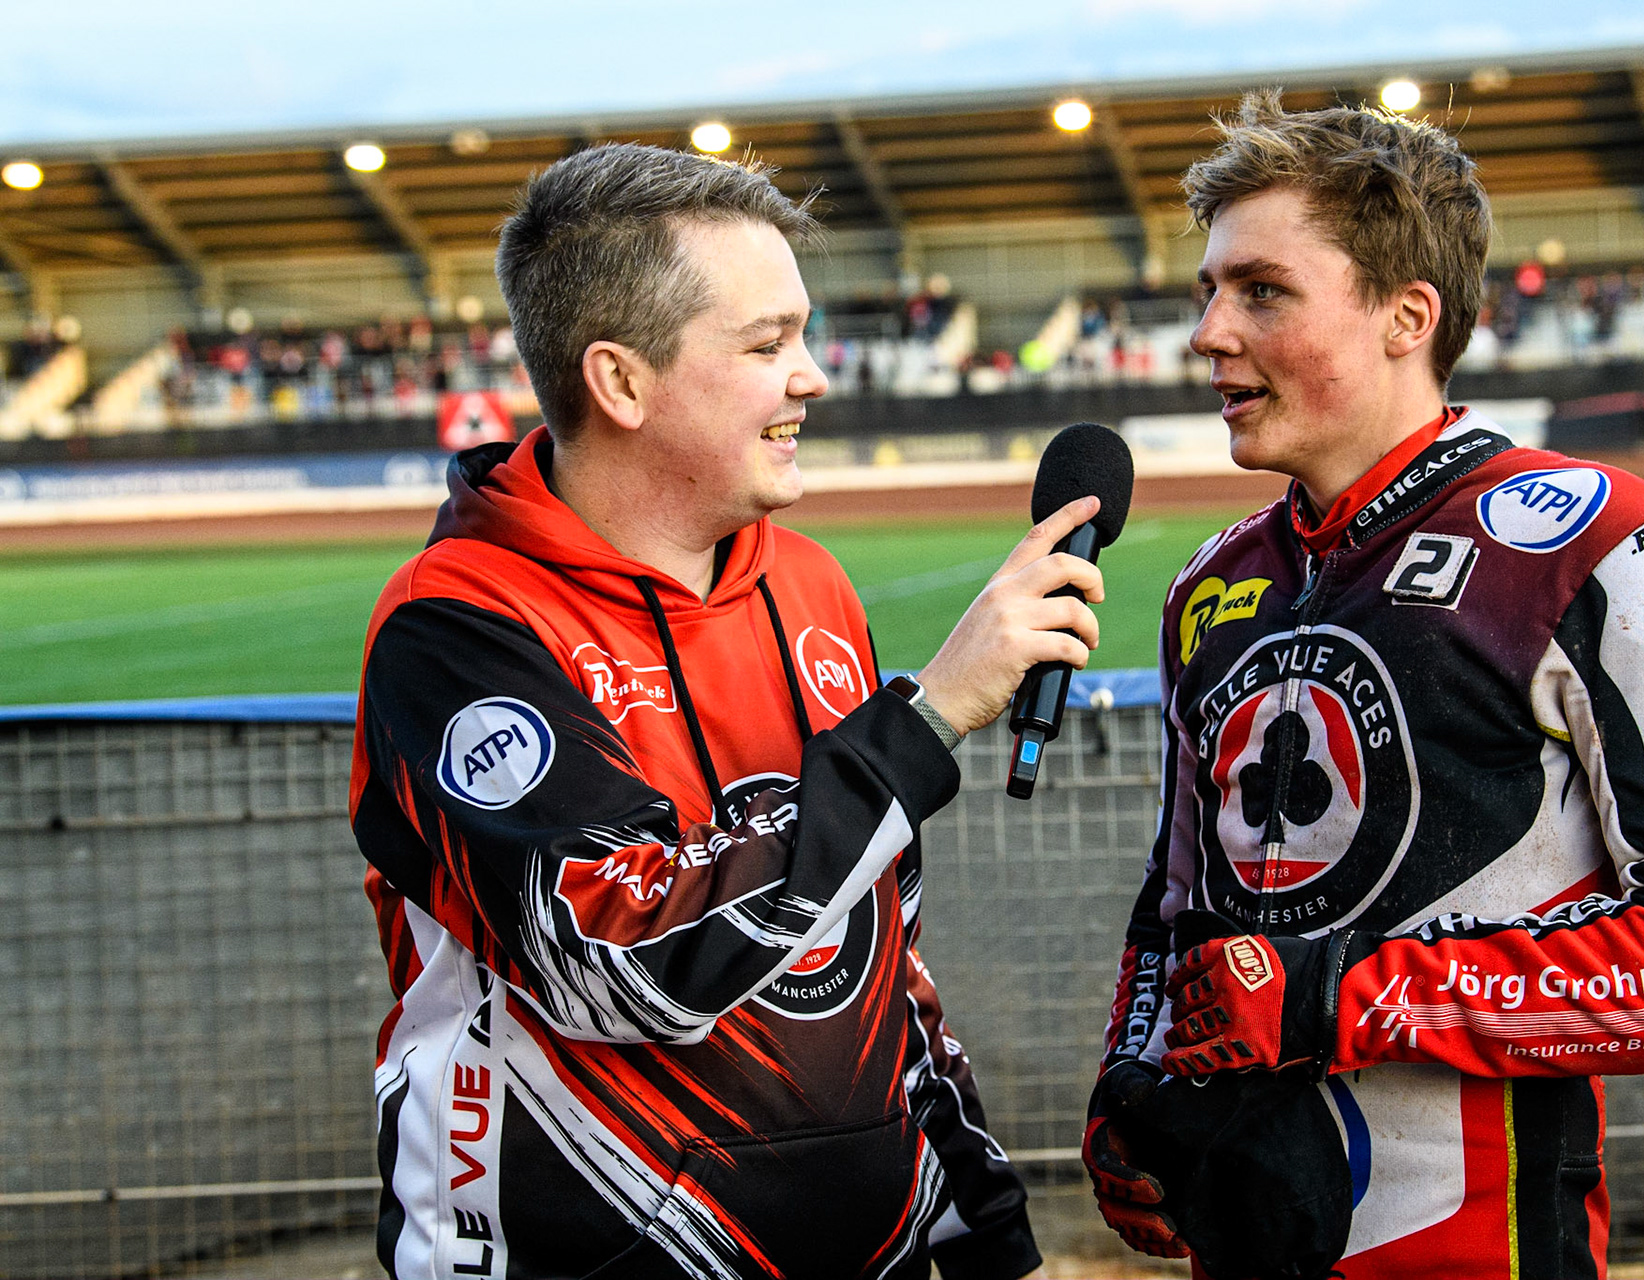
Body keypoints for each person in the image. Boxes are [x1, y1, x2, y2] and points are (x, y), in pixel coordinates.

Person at [351, 143, 1104, 1280]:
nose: (812, 375)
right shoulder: (453, 627)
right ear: (621, 382)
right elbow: (617, 961)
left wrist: (987, 1224)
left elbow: (885, 952)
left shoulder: (809, 583)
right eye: (767, 344)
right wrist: (929, 713)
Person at [1083, 94, 1644, 1280]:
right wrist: (1133, 1081)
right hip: (1246, 1232)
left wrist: (1346, 993)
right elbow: (1175, 908)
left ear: (1409, 315)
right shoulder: (1212, 584)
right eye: (1205, 291)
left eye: (1260, 291)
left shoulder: (1607, 548)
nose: (1206, 332)